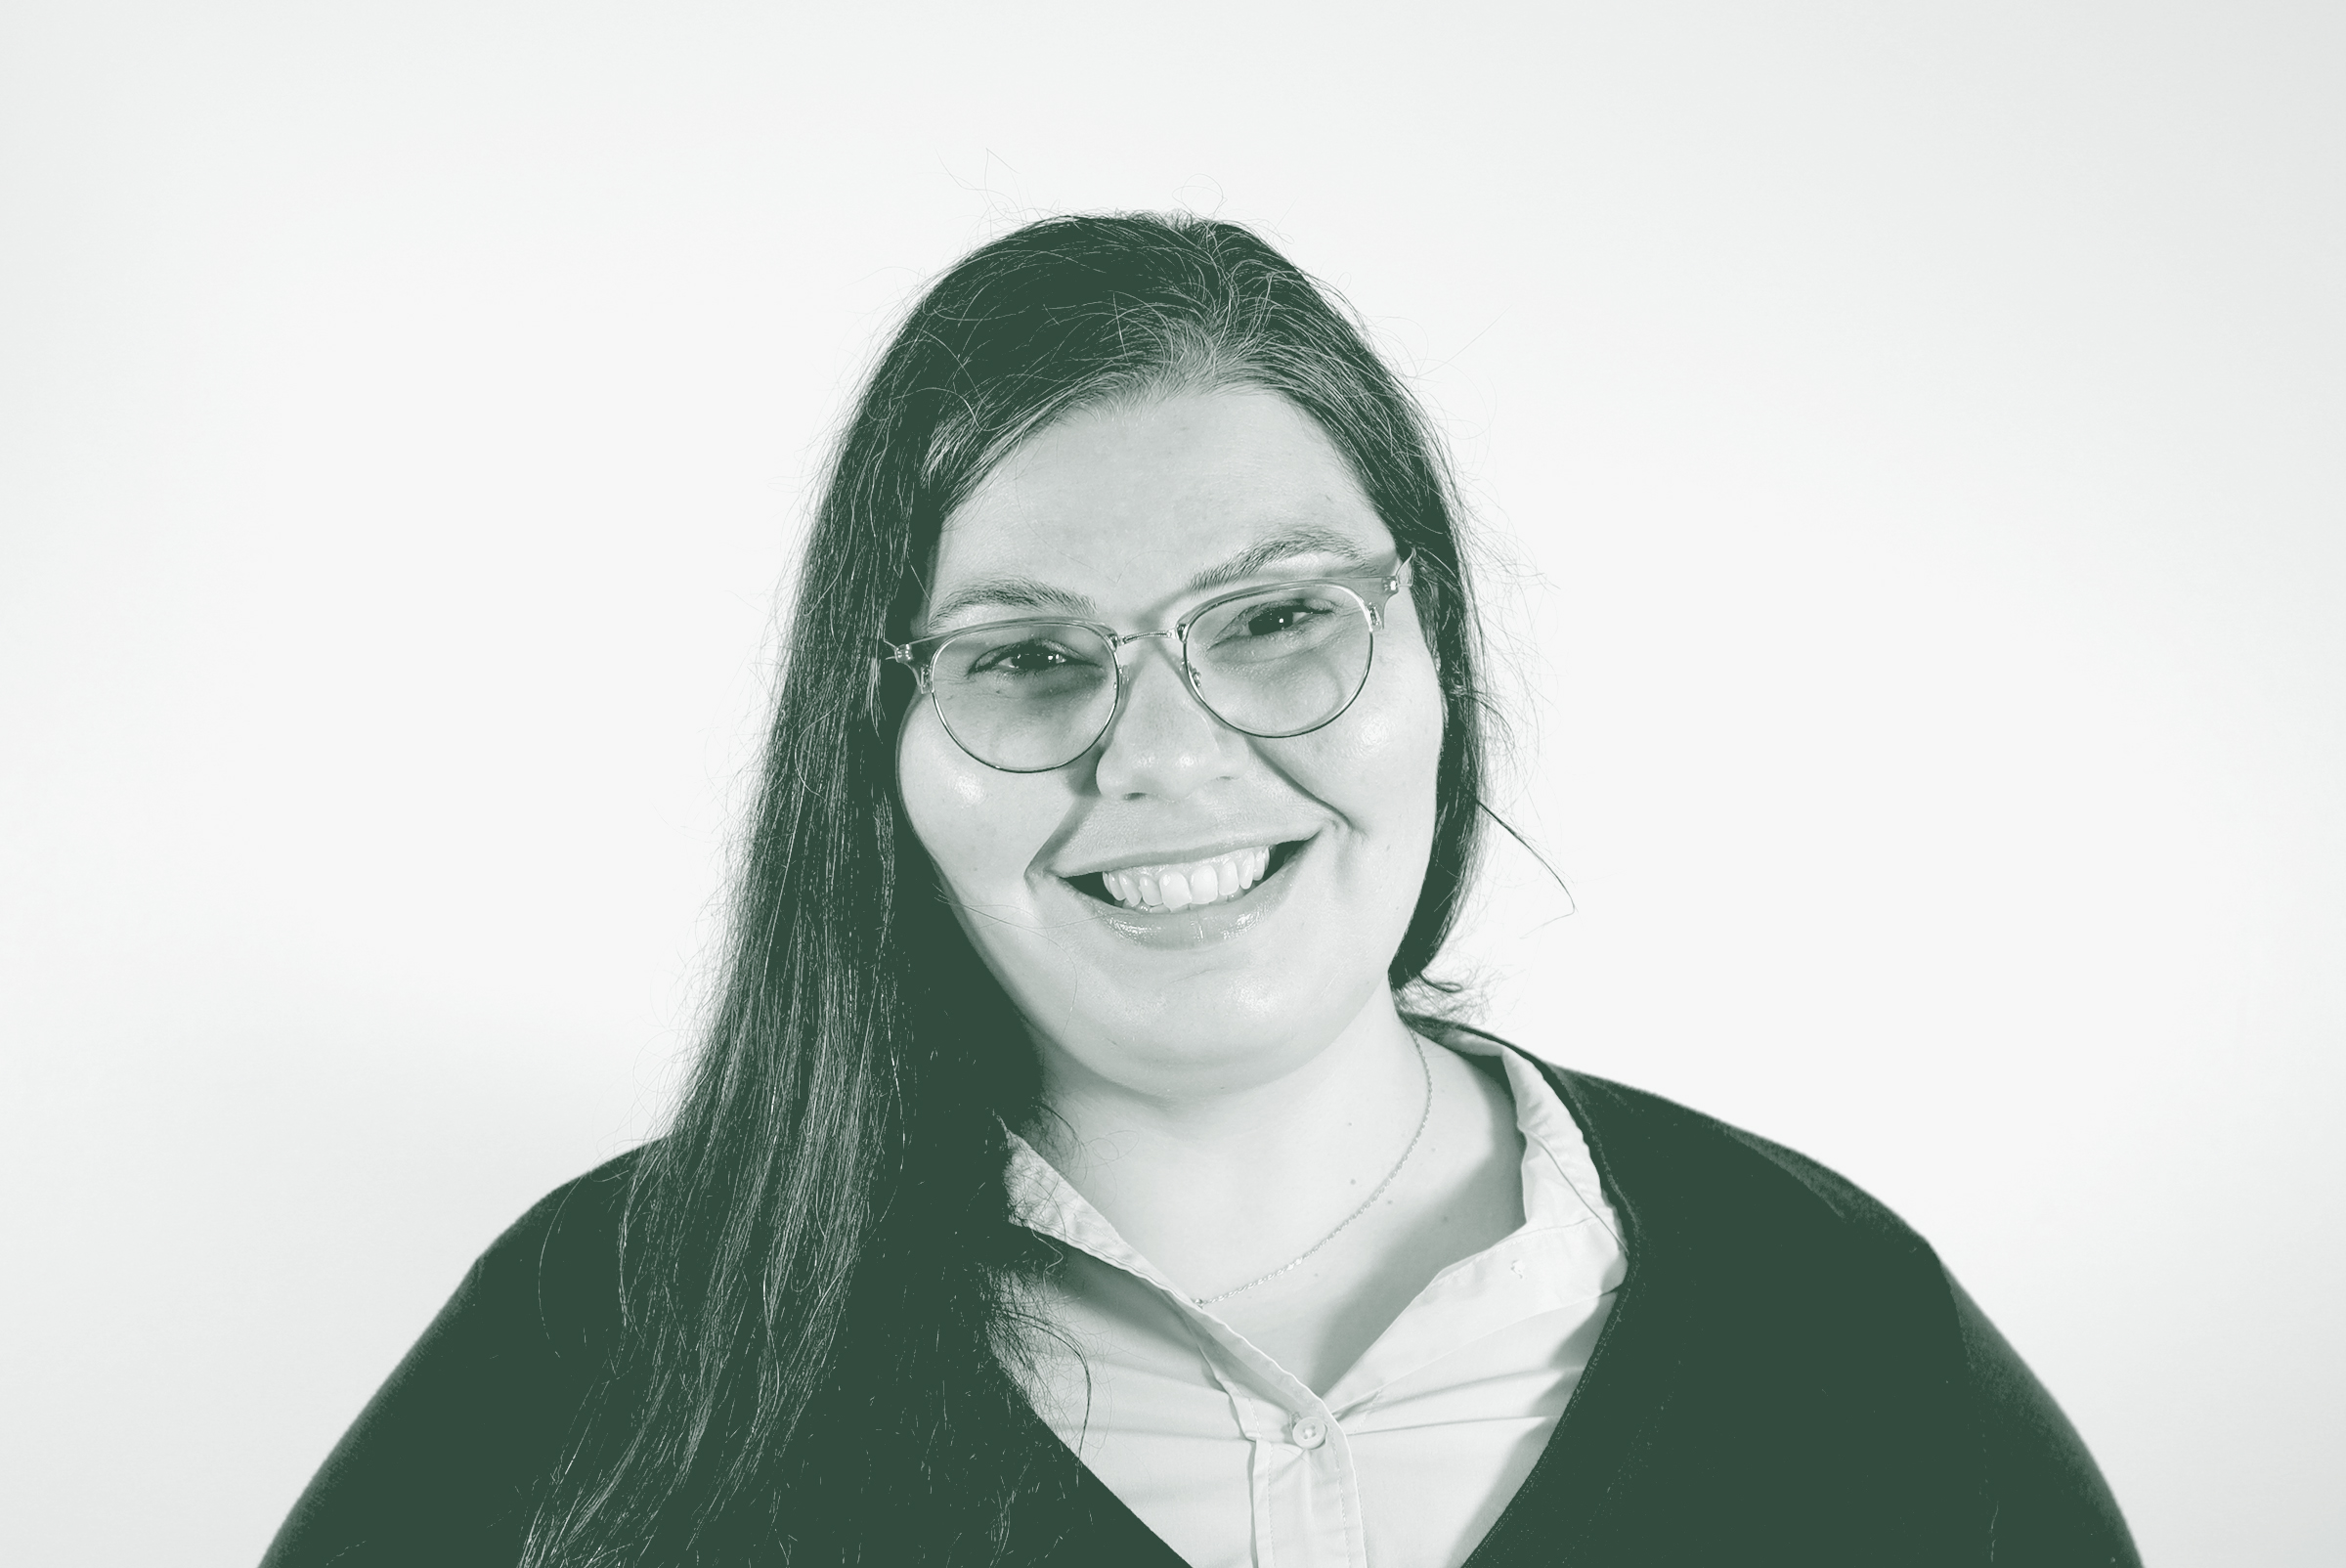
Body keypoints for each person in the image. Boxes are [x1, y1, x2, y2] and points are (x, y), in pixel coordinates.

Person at [261, 213, 2140, 1568]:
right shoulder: (601, 1344)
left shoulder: (1835, 1329)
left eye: (1274, 623)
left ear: (1439, 671)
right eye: (1023, 655)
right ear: (883, 757)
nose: (1164, 756)